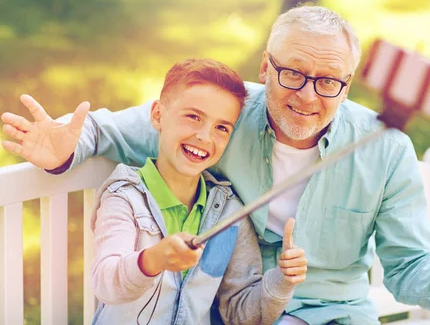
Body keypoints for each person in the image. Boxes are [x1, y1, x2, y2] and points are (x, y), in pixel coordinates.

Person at [1, 6, 430, 325]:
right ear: (266, 66)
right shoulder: (226, 117)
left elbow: (407, 272)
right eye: (291, 74)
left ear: (349, 84)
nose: (308, 97)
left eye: (329, 81)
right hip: (242, 312)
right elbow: (117, 130)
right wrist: (63, 151)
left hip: (338, 315)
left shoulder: (384, 149)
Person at [86, 58, 307, 324]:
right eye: (193, 117)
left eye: (221, 128)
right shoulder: (125, 198)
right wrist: (153, 259)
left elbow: (240, 314)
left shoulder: (230, 214)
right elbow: (106, 282)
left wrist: (281, 283)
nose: (204, 136)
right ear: (158, 115)